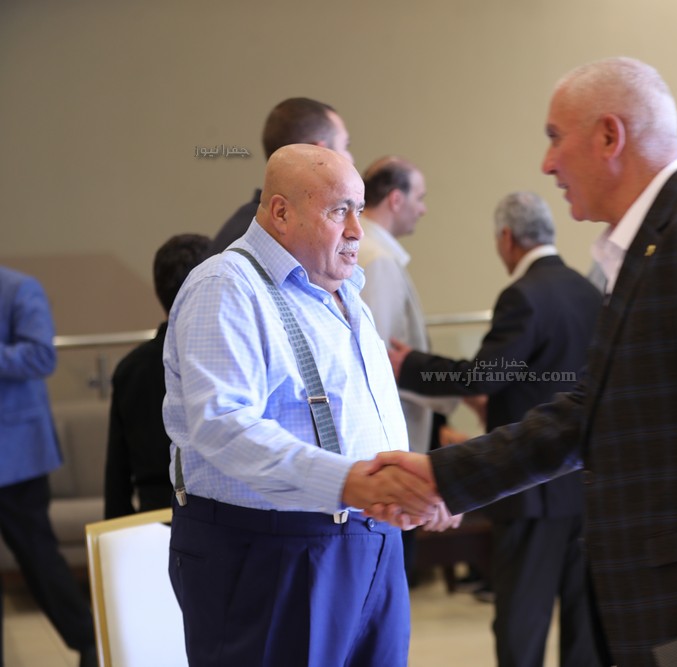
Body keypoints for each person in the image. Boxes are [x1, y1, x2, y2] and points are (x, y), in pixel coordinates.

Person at [372, 57, 677, 667]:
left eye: (555, 137)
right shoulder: (654, 244)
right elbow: (591, 413)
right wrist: (444, 476)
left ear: (609, 136)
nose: (547, 163)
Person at [163, 144, 443, 667]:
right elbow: (222, 426)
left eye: (360, 209)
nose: (358, 230)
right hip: (272, 555)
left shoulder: (346, 293)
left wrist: (419, 486)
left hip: (371, 545)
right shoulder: (227, 287)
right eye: (340, 211)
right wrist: (349, 482)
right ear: (281, 212)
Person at [388, 191, 603, 667]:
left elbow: (482, 376)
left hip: (530, 490)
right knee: (583, 630)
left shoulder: (524, 295)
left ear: (507, 237)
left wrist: (410, 364)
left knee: (521, 624)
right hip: (585, 486)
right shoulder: (588, 291)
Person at [356, 156, 462, 583]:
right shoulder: (377, 258)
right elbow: (377, 360)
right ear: (396, 199)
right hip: (391, 444)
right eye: (419, 197)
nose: (424, 208)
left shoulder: (373, 251)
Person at [0, 266, 97, 667]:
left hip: (16, 456)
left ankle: (89, 643)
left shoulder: (20, 289)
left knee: (38, 558)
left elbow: (42, 356)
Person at [104, 233, 210, 518]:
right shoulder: (220, 359)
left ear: (157, 291)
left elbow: (117, 473)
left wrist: (116, 526)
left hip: (149, 517)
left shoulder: (130, 368)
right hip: (210, 514)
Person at [208, 97, 353, 254]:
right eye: (345, 146)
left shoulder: (248, 223)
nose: (351, 159)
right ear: (318, 153)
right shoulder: (269, 236)